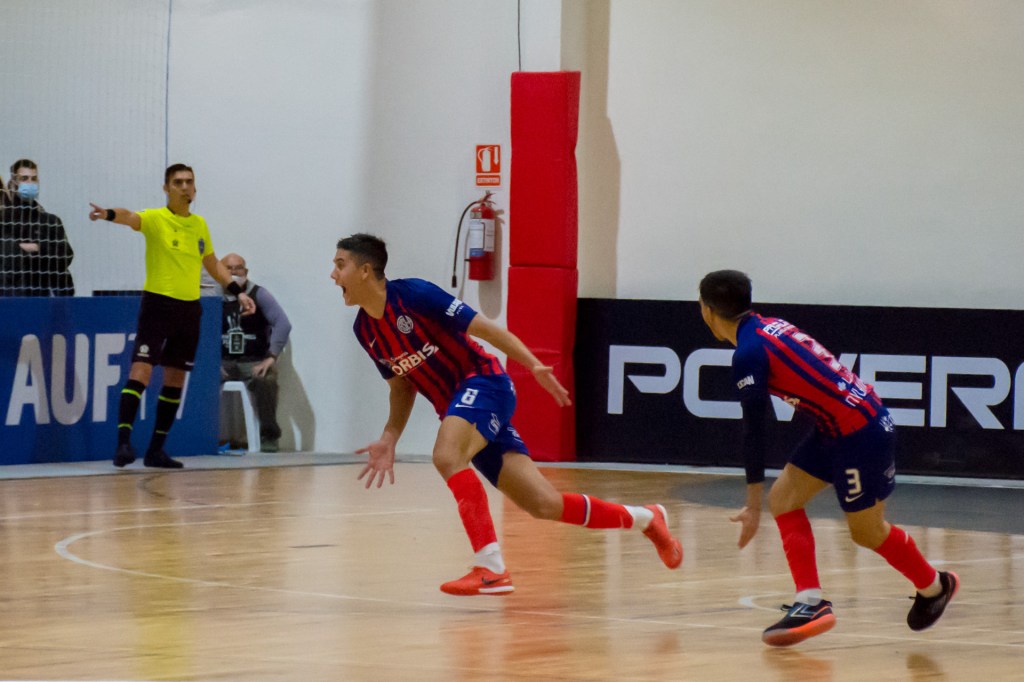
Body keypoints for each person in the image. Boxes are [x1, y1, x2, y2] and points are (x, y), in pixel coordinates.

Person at [332, 233, 682, 596]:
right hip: (460, 407)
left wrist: (533, 365)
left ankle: (491, 567)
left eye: (340, 265)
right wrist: (390, 436)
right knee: (544, 504)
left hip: (485, 382)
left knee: (447, 455)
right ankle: (647, 519)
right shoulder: (365, 331)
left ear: (365, 270)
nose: (333, 274)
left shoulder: (415, 295)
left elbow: (485, 328)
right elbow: (402, 387)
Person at [697, 269, 959, 647]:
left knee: (866, 532)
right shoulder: (771, 326)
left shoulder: (749, 352)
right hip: (837, 426)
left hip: (861, 432)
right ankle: (810, 601)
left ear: (706, 311)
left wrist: (751, 504)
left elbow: (755, 429)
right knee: (784, 498)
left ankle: (936, 587)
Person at [88, 163, 254, 469]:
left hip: (189, 308)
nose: (184, 187)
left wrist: (236, 290)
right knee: (141, 373)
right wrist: (108, 214)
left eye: (189, 182)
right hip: (157, 305)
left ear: (195, 187)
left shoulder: (200, 225)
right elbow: (130, 217)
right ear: (167, 188)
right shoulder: (156, 219)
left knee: (176, 378)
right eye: (177, 182)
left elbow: (212, 263)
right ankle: (123, 443)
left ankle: (156, 451)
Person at [220, 252, 292, 452]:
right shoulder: (213, 298)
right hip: (222, 362)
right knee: (198, 377)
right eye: (229, 268)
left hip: (253, 360)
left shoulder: (259, 294)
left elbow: (283, 324)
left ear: (246, 271)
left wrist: (271, 357)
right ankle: (203, 435)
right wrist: (210, 363)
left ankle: (269, 435)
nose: (234, 272)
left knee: (266, 379)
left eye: (239, 268)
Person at [0, 159, 75, 296]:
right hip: (12, 297)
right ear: (14, 182)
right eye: (24, 178)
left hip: (45, 294)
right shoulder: (4, 220)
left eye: (33, 179)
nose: (30, 183)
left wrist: (36, 247)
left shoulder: (50, 221)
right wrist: (18, 248)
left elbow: (66, 255)